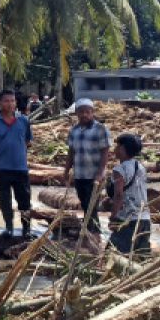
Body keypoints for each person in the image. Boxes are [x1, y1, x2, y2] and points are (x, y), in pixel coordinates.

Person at [0, 89, 33, 237]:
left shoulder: (24, 121)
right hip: (1, 168)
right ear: (0, 103)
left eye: (12, 100)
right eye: (6, 101)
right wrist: (1, 150)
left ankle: (26, 229)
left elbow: (28, 141)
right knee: (4, 199)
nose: (10, 104)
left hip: (20, 168)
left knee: (24, 200)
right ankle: (9, 227)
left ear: (16, 102)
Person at [62, 98, 111, 234]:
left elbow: (105, 152)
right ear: (77, 113)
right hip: (79, 173)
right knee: (84, 203)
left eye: (87, 112)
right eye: (81, 112)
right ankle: (90, 229)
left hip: (94, 174)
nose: (84, 115)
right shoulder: (74, 131)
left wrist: (101, 172)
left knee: (92, 204)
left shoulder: (101, 129)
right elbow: (71, 152)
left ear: (92, 112)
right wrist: (66, 171)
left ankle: (93, 231)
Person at [108, 133, 151, 254]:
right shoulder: (140, 167)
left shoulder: (119, 170)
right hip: (144, 218)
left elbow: (119, 195)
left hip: (127, 219)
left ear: (123, 149)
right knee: (141, 257)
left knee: (114, 255)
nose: (115, 149)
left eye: (118, 146)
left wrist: (113, 216)